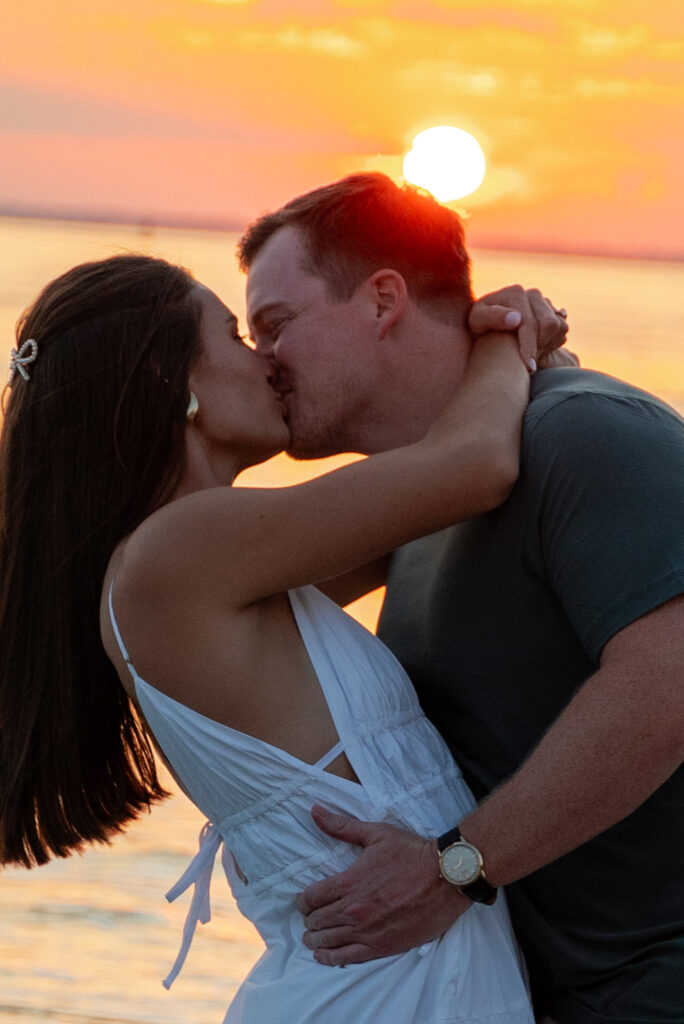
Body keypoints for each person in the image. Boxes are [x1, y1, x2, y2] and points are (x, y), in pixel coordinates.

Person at [0, 253, 566, 1022]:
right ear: (178, 384)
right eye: (233, 334)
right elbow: (473, 467)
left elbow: (424, 511)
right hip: (378, 987)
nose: (265, 358)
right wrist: (506, 334)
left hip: (393, 974)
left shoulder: (210, 566)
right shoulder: (178, 553)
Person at [238, 172, 684, 1024]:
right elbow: (230, 605)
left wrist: (458, 864)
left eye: (275, 325)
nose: (266, 363)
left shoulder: (585, 435)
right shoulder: (418, 506)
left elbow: (669, 683)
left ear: (383, 299)